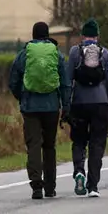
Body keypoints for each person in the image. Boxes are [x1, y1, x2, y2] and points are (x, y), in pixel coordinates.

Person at [9, 21, 72, 199]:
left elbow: (13, 80)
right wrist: (66, 107)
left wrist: (22, 97)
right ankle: (50, 187)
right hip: (51, 106)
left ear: (33, 34)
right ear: (47, 34)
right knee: (49, 146)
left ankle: (37, 185)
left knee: (34, 145)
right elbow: (66, 83)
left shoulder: (24, 54)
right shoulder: (57, 54)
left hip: (30, 107)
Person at [66, 18, 108, 197]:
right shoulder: (104, 53)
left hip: (79, 104)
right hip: (101, 104)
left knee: (79, 141)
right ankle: (93, 185)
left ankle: (79, 171)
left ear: (82, 35)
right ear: (97, 36)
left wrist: (66, 106)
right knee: (97, 144)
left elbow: (67, 80)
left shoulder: (74, 52)